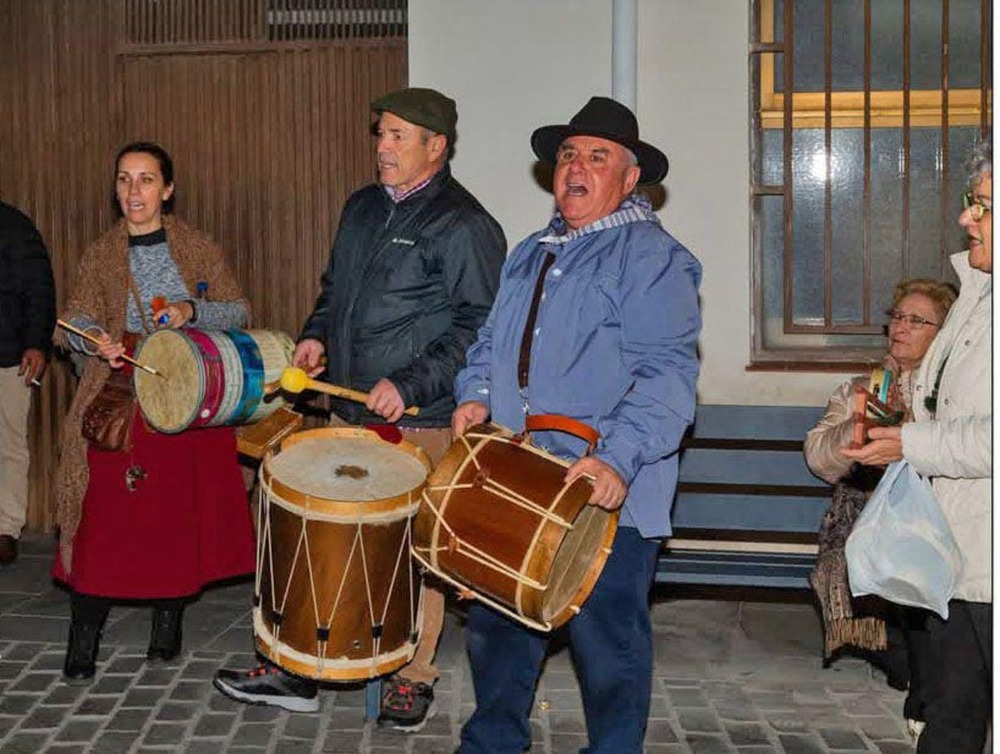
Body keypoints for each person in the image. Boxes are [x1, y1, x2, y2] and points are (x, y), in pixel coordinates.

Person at [213, 87, 506, 728]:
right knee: (325, 536)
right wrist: (316, 332)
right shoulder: (362, 207)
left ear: (438, 146)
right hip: (349, 411)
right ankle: (299, 664)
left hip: (421, 420)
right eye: (382, 133)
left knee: (413, 549)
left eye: (400, 136)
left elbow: (481, 326)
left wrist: (409, 382)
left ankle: (412, 672)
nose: (383, 146)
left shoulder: (465, 223)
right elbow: (335, 290)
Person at [450, 96, 701, 754]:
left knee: (607, 647)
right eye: (567, 155)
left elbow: (668, 376)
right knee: (498, 632)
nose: (576, 169)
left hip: (601, 489)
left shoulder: (651, 258)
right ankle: (492, 746)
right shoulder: (530, 252)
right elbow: (488, 345)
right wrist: (476, 394)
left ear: (629, 177)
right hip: (520, 479)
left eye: (597, 157)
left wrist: (619, 460)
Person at [53, 141, 256, 682]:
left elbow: (237, 309)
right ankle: (84, 635)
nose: (133, 192)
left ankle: (168, 627)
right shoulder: (102, 252)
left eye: (145, 180)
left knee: (174, 520)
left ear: (167, 190)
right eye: (124, 180)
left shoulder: (196, 246)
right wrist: (95, 337)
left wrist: (193, 309)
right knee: (100, 522)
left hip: (185, 396)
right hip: (121, 395)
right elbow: (71, 316)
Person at [842, 139, 992, 753]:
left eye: (981, 204)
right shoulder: (977, 290)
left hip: (987, 554)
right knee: (949, 715)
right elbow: (936, 394)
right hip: (957, 553)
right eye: (969, 202)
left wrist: (908, 441)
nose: (966, 218)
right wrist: (893, 422)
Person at [805, 277, 957, 738]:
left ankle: (929, 688)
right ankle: (916, 672)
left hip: (937, 520)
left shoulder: (954, 390)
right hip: (868, 519)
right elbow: (817, 458)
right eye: (898, 318)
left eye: (917, 320)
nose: (901, 328)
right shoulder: (862, 386)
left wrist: (912, 434)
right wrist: (856, 423)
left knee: (926, 571)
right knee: (883, 565)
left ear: (943, 331)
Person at [0, 202, 56, 565]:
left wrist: (37, 344)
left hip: (8, 354)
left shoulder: (13, 226)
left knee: (9, 443)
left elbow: (39, 289)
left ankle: (5, 528)